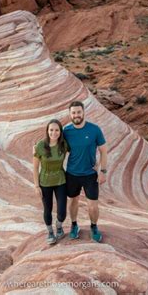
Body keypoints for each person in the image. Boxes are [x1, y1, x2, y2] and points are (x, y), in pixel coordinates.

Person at [63, 101, 107, 242]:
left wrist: (103, 170)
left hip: (90, 175)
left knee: (93, 206)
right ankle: (74, 225)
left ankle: (94, 226)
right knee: (72, 201)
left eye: (78, 112)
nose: (76, 115)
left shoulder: (94, 130)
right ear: (70, 114)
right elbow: (58, 149)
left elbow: (103, 151)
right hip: (72, 174)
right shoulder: (66, 131)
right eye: (73, 112)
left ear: (83, 112)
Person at [33, 119, 69, 244]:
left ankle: (59, 226)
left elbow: (77, 151)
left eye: (57, 130)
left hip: (60, 180)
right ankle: (50, 232)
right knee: (47, 209)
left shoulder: (64, 144)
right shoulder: (40, 146)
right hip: (45, 182)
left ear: (60, 131)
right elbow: (35, 167)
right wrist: (36, 186)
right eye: (51, 130)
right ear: (47, 131)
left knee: (62, 212)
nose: (54, 133)